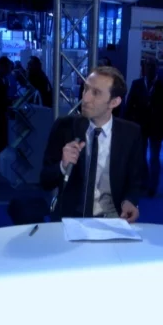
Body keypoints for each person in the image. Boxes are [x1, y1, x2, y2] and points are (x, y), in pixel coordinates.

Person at [41, 66, 148, 221]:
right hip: (71, 218)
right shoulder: (64, 127)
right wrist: (62, 166)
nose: (85, 98)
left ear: (114, 102)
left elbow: (136, 180)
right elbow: (45, 181)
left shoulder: (130, 133)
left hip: (113, 218)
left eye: (96, 93)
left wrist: (130, 201)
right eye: (86, 89)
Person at [124, 58, 163, 196]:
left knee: (154, 157)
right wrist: (126, 124)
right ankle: (144, 182)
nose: (150, 69)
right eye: (148, 66)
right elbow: (129, 105)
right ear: (144, 68)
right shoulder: (137, 84)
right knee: (140, 156)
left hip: (157, 127)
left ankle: (153, 186)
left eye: (153, 66)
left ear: (157, 68)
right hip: (140, 126)